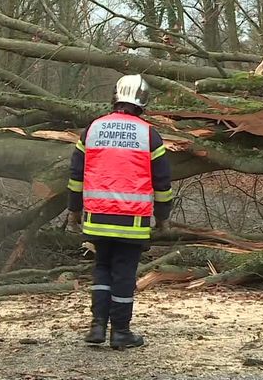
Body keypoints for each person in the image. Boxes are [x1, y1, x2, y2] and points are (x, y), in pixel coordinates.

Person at [67, 74, 173, 349]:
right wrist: (163, 218)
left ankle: (98, 326)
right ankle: (121, 331)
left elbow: (76, 176)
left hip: (96, 219)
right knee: (124, 273)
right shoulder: (149, 135)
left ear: (115, 97)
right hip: (132, 221)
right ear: (143, 102)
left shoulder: (92, 130)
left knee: (102, 268)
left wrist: (74, 211)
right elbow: (162, 183)